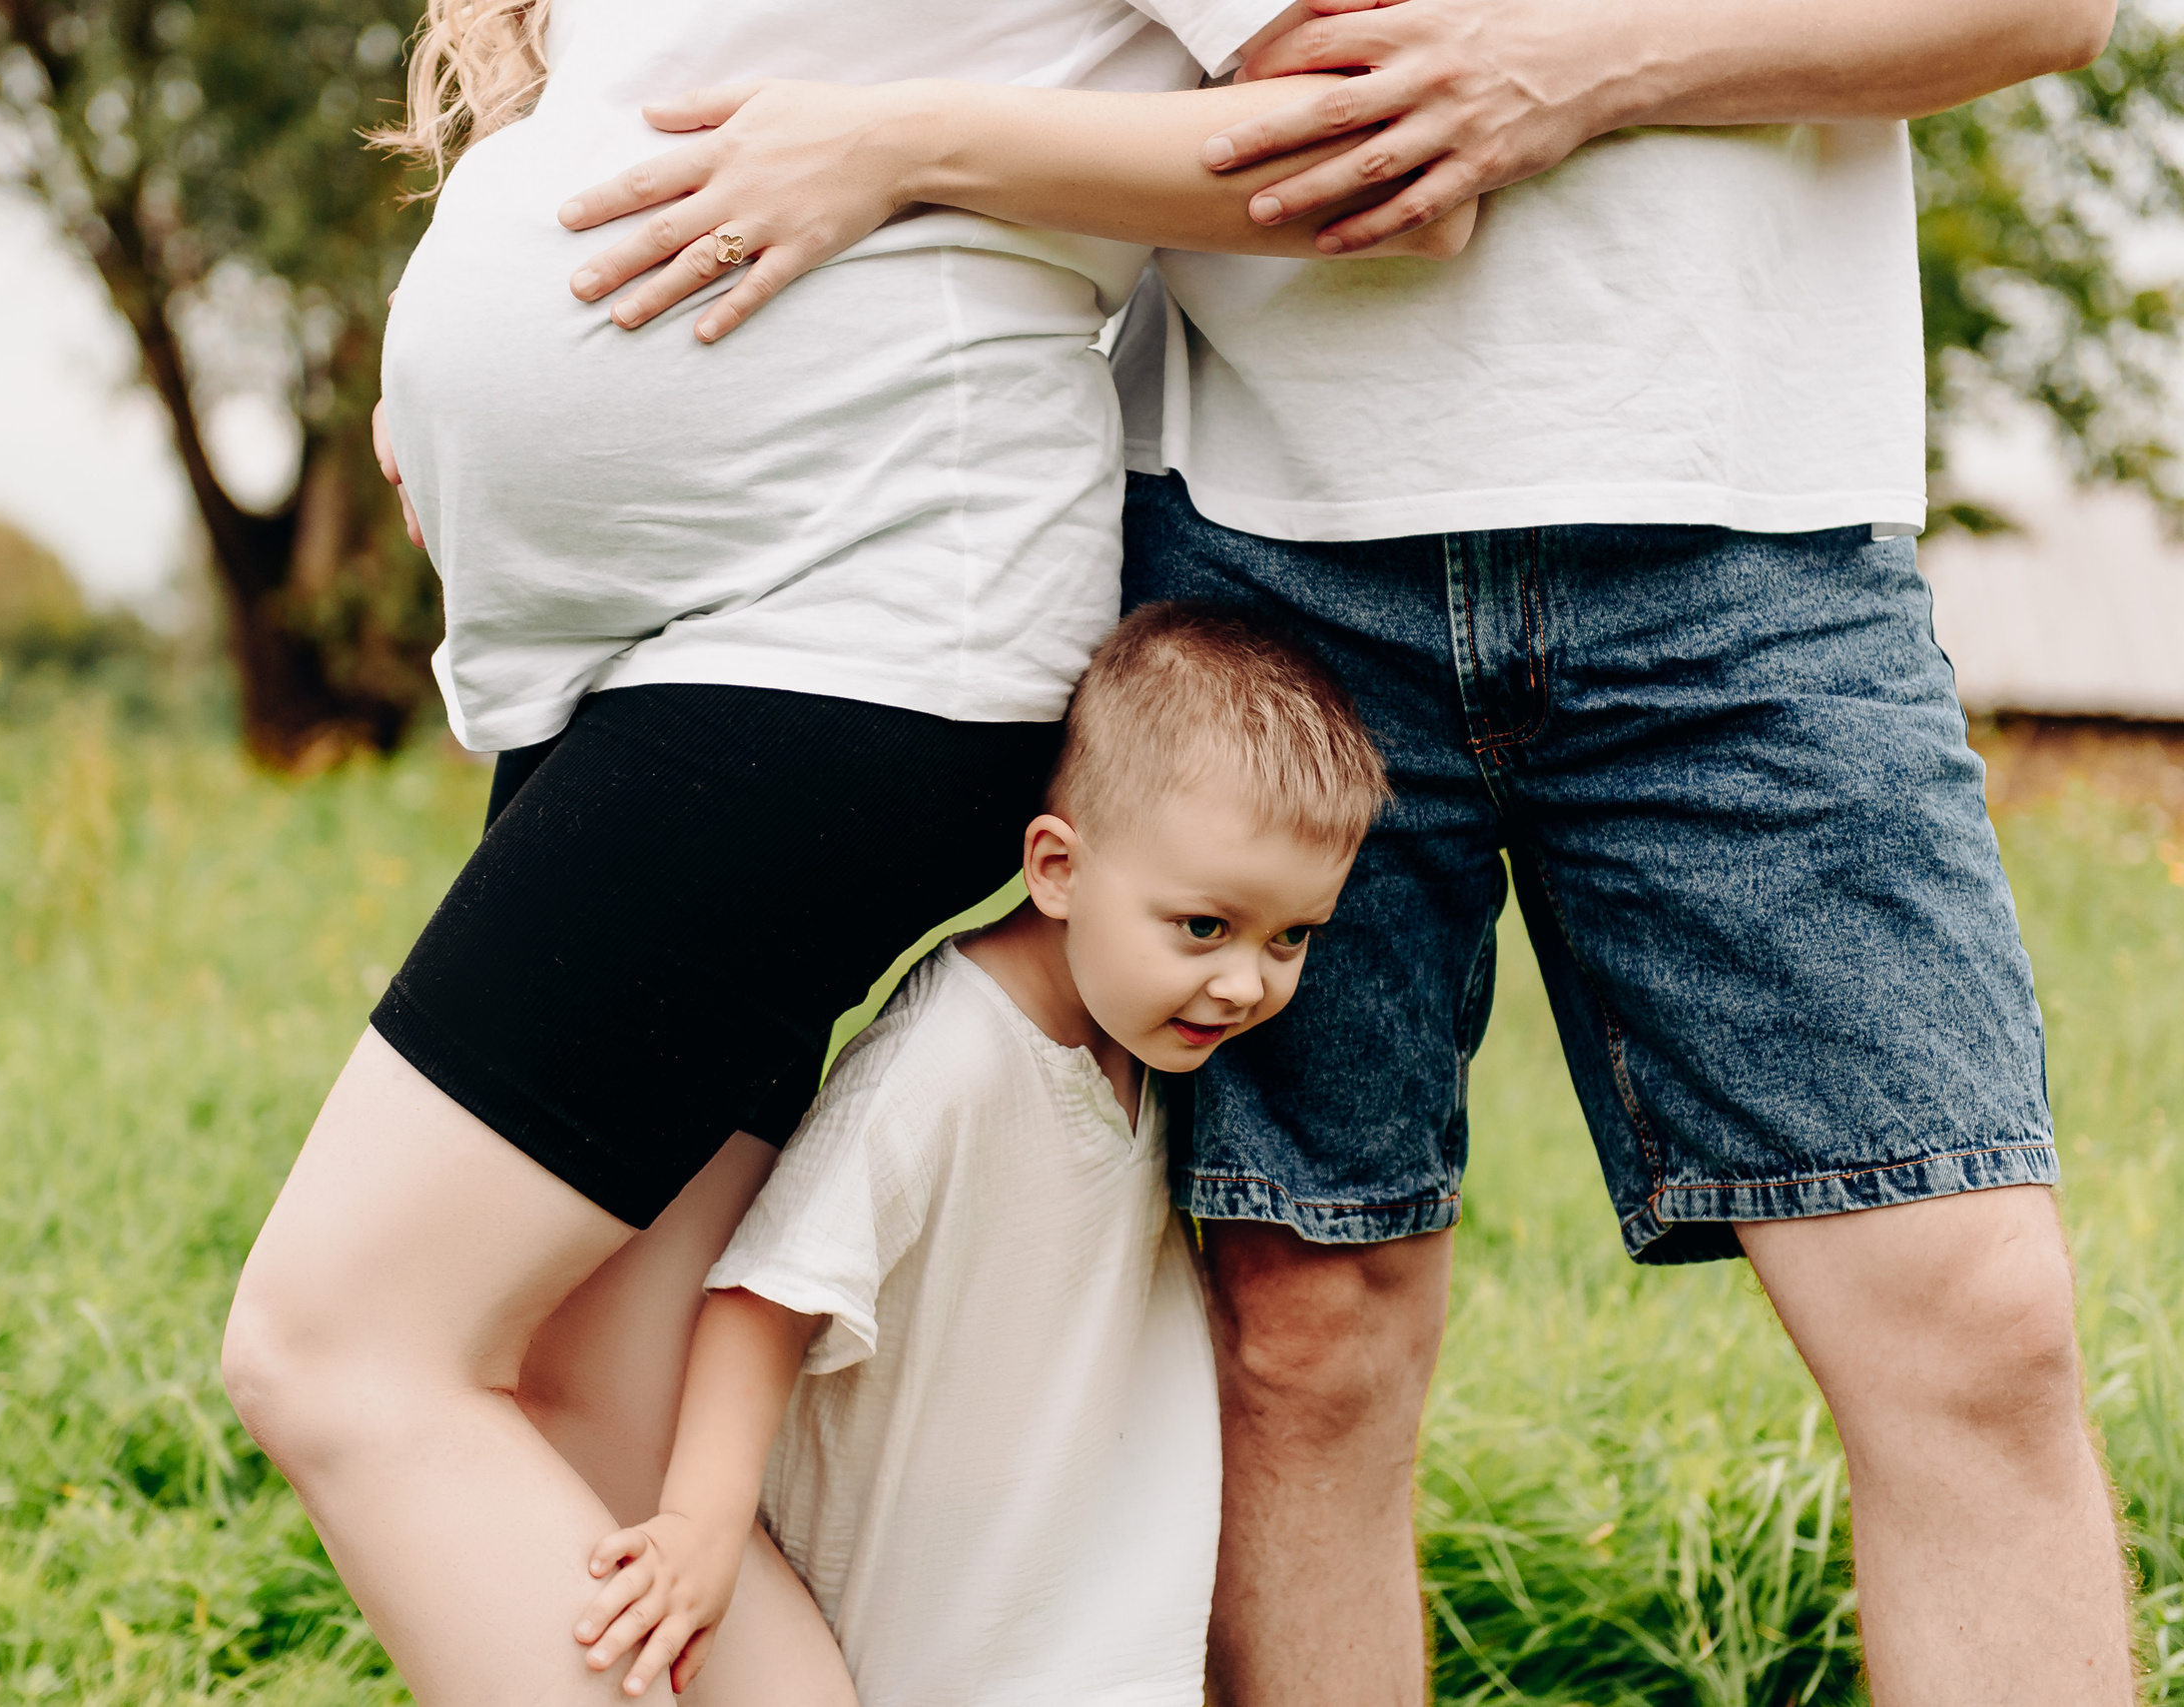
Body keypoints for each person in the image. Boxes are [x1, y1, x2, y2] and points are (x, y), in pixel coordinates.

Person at [548, 1, 2136, 1701]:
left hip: (1745, 525)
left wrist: (1579, 65)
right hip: (1267, 529)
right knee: (1309, 1341)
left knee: (1971, 1319)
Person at [221, 0, 1472, 1701]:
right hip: (652, 651)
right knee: (614, 1419)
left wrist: (903, 145)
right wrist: (459, 357)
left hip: (859, 620)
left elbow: (1382, 137)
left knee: (339, 1346)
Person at [568, 602, 1386, 1704]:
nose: (1247, 982)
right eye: (1205, 925)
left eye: (1290, 936)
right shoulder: (948, 1058)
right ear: (1055, 867)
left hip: (1072, 1636)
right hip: (916, 1643)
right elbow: (765, 1294)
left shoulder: (1143, 1031)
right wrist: (699, 1525)